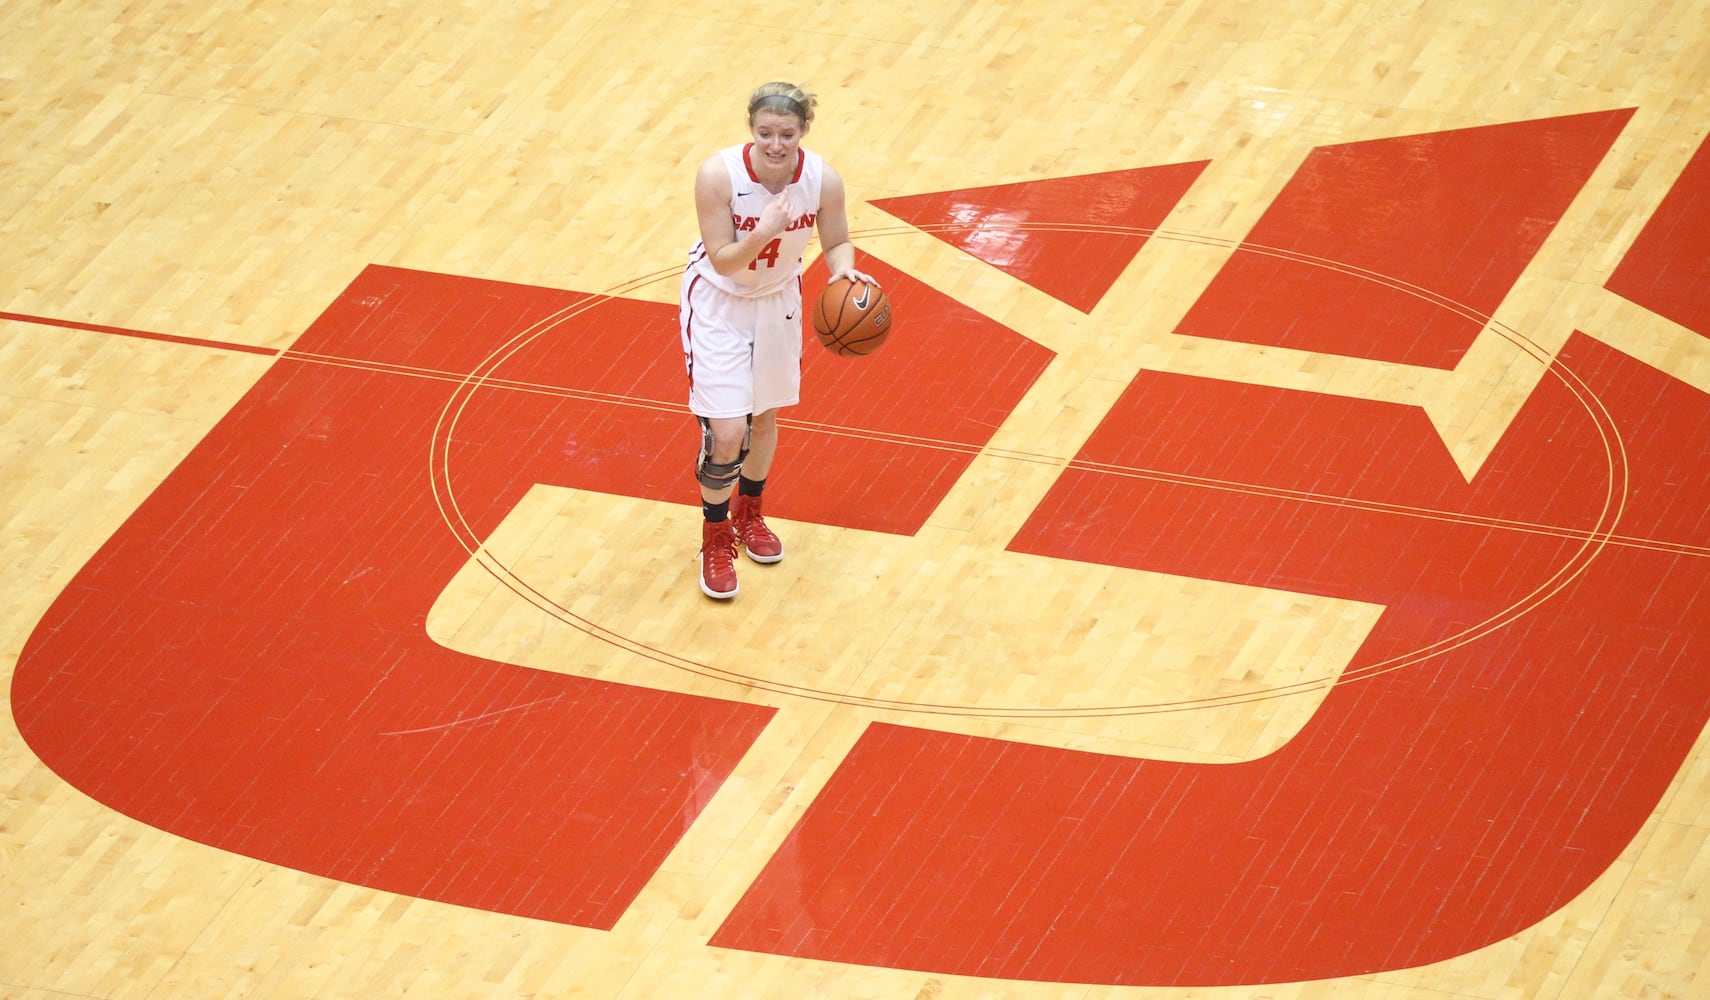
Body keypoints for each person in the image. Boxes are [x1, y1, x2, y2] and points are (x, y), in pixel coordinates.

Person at [678, 82, 875, 599]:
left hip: (778, 300)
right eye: (765, 133)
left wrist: (843, 273)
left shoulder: (821, 179)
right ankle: (715, 533)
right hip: (719, 301)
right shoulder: (717, 174)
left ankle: (750, 512)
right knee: (725, 432)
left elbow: (837, 240)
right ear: (752, 130)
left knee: (764, 417)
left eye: (786, 134)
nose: (775, 144)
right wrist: (765, 231)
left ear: (803, 131)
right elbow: (724, 258)